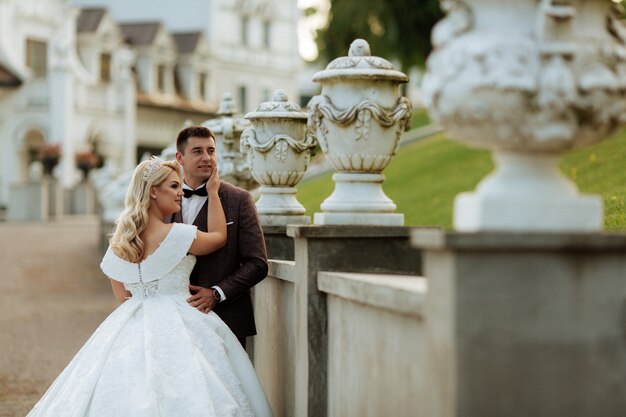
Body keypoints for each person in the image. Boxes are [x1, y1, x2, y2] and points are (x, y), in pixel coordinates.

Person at [27, 157, 274, 417]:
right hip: (183, 316)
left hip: (128, 321)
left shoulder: (121, 242)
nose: (180, 192)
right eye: (174, 186)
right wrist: (213, 192)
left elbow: (123, 296)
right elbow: (219, 237)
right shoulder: (179, 234)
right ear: (153, 191)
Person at [172, 126, 268, 349]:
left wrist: (216, 293)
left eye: (211, 151)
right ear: (180, 157)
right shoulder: (164, 200)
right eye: (197, 151)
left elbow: (258, 263)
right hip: (175, 320)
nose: (207, 158)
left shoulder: (240, 199)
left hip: (226, 319)